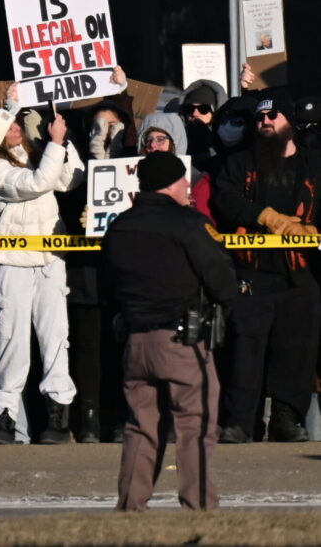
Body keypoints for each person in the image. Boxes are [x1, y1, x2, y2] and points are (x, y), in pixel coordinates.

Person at [102, 152, 238, 512]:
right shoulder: (188, 224)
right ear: (174, 182)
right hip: (181, 342)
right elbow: (221, 277)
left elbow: (108, 284)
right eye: (183, 181)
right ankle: (200, 509)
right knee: (196, 426)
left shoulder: (119, 226)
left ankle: (130, 508)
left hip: (134, 341)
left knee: (140, 428)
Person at [0, 106, 84, 444]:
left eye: (15, 123)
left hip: (50, 258)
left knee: (55, 338)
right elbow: (35, 183)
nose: (16, 128)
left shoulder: (34, 153)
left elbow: (70, 178)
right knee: (11, 341)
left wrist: (65, 141)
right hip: (12, 261)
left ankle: (58, 415)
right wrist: (55, 144)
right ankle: (5, 417)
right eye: (8, 126)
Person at [214, 90, 321, 443]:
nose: (265, 123)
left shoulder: (313, 163)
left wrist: (312, 230)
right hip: (251, 274)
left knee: (296, 351)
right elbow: (225, 199)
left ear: (289, 121)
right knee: (245, 351)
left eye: (272, 117)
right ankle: (241, 423)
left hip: (300, 275)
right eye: (260, 118)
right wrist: (264, 215)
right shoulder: (240, 161)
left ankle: (287, 419)